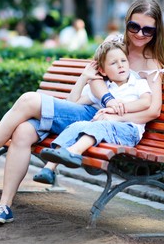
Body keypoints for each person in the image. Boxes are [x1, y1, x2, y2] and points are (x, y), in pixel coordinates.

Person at [0, 0, 164, 226]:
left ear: (157, 30)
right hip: (88, 110)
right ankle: (4, 205)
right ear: (127, 22)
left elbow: (152, 110)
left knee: (29, 100)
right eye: (134, 26)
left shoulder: (152, 63)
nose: (140, 34)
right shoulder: (114, 44)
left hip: (102, 121)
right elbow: (95, 79)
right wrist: (108, 101)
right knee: (22, 131)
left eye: (148, 29)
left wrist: (115, 115)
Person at [38, 41, 151, 171]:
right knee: (78, 125)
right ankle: (49, 168)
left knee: (98, 124)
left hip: (129, 131)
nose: (120, 65)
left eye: (123, 61)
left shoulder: (138, 83)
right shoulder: (104, 89)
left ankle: (74, 152)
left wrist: (116, 108)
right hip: (104, 127)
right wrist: (84, 77)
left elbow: (146, 102)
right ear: (102, 71)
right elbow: (72, 103)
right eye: (114, 63)